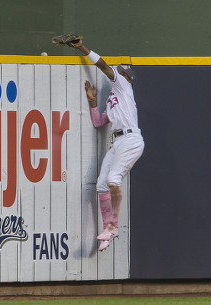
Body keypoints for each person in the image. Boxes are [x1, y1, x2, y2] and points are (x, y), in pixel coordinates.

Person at [70, 38, 145, 251]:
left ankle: (113, 225)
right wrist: (93, 101)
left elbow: (102, 65)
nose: (118, 70)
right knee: (102, 184)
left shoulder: (123, 86)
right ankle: (108, 231)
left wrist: (82, 48)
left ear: (126, 78)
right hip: (119, 141)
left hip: (131, 140)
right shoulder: (115, 98)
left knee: (113, 179)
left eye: (122, 70)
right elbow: (98, 122)